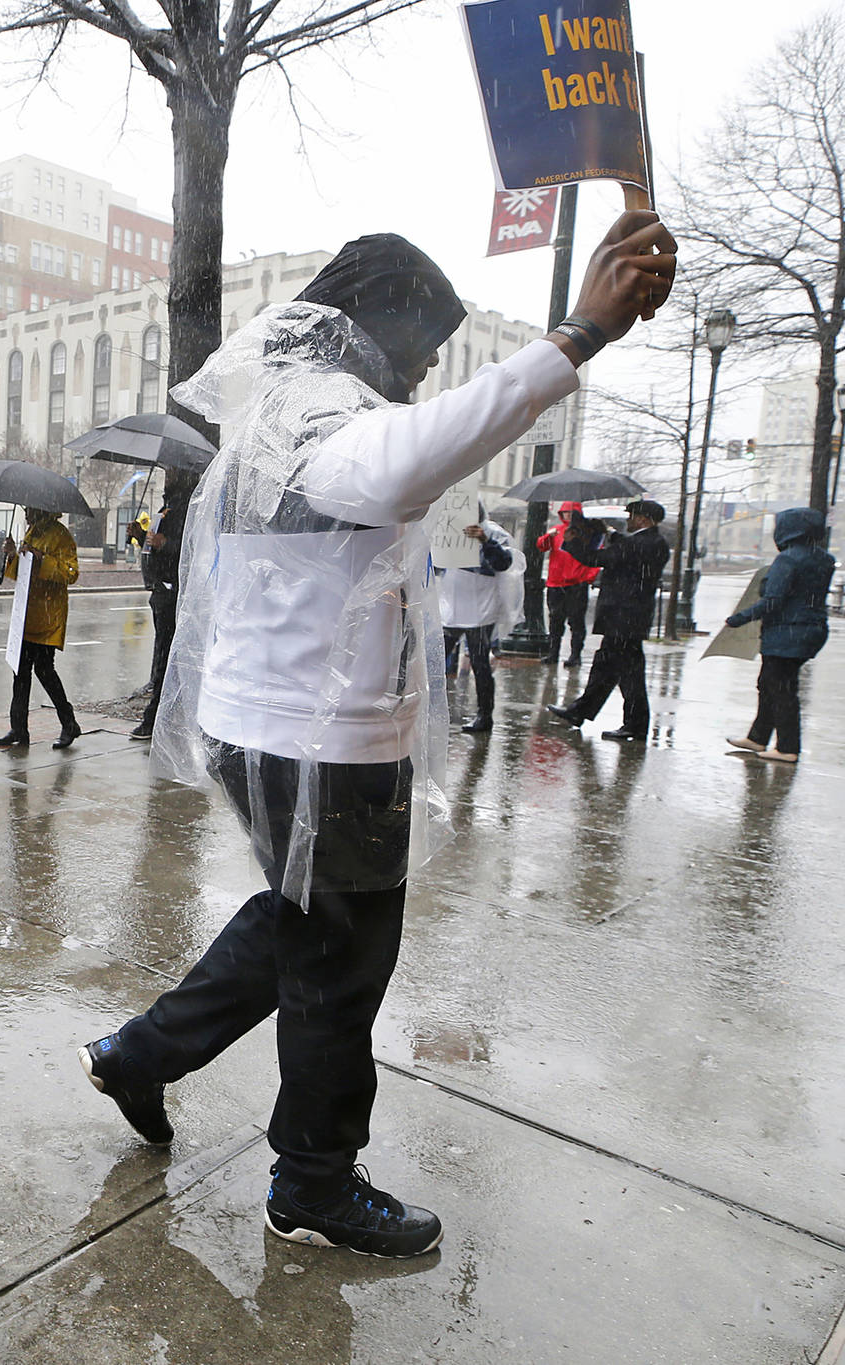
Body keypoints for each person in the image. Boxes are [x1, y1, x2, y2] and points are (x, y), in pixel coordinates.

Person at [79, 213, 677, 1259]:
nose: (428, 367)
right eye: (425, 345)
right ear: (374, 325)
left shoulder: (290, 404)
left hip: (284, 727)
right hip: (316, 742)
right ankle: (310, 1181)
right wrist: (575, 335)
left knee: (305, 924)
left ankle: (141, 1052)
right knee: (340, 965)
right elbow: (390, 471)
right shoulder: (317, 414)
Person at [544, 499, 671, 742]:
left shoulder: (641, 543)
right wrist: (609, 532)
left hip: (624, 618)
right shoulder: (653, 542)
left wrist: (571, 543)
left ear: (643, 519)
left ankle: (634, 724)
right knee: (606, 668)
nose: (629, 520)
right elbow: (624, 547)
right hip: (628, 619)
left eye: (632, 516)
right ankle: (581, 711)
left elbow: (598, 559)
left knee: (629, 675)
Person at [725, 506, 835, 763]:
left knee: (781, 689)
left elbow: (774, 600)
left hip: (787, 631)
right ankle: (758, 736)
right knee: (769, 683)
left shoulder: (788, 559)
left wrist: (738, 619)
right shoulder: (825, 559)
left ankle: (787, 747)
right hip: (811, 629)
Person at [0, 506, 82, 749]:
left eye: (30, 509)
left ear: (42, 509)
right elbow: (22, 573)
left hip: (47, 617)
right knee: (20, 672)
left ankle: (69, 723)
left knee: (45, 671)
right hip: (27, 614)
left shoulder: (60, 535)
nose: (26, 513)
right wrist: (12, 555)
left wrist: (42, 558)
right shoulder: (32, 532)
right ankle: (19, 728)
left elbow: (71, 573)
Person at [439, 518, 522, 734]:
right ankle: (429, 709)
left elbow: (503, 563)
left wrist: (485, 541)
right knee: (437, 658)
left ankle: (485, 716)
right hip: (453, 605)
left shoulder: (493, 533)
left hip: (480, 607)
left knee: (479, 662)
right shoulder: (448, 530)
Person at [130, 502, 181, 743]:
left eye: (172, 471)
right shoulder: (165, 508)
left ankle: (154, 718)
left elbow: (191, 547)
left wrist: (167, 544)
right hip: (159, 591)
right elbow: (157, 550)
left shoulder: (184, 508)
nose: (168, 474)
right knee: (166, 656)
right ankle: (164, 715)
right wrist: (141, 537)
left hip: (172, 593)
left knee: (166, 657)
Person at [536, 500, 600, 667]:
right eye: (566, 513)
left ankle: (575, 655)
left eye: (571, 513)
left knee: (576, 622)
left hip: (577, 583)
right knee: (555, 621)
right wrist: (547, 537)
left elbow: (596, 556)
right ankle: (553, 653)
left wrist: (588, 577)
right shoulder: (557, 531)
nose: (568, 516)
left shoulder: (587, 533)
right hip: (556, 583)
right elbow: (541, 546)